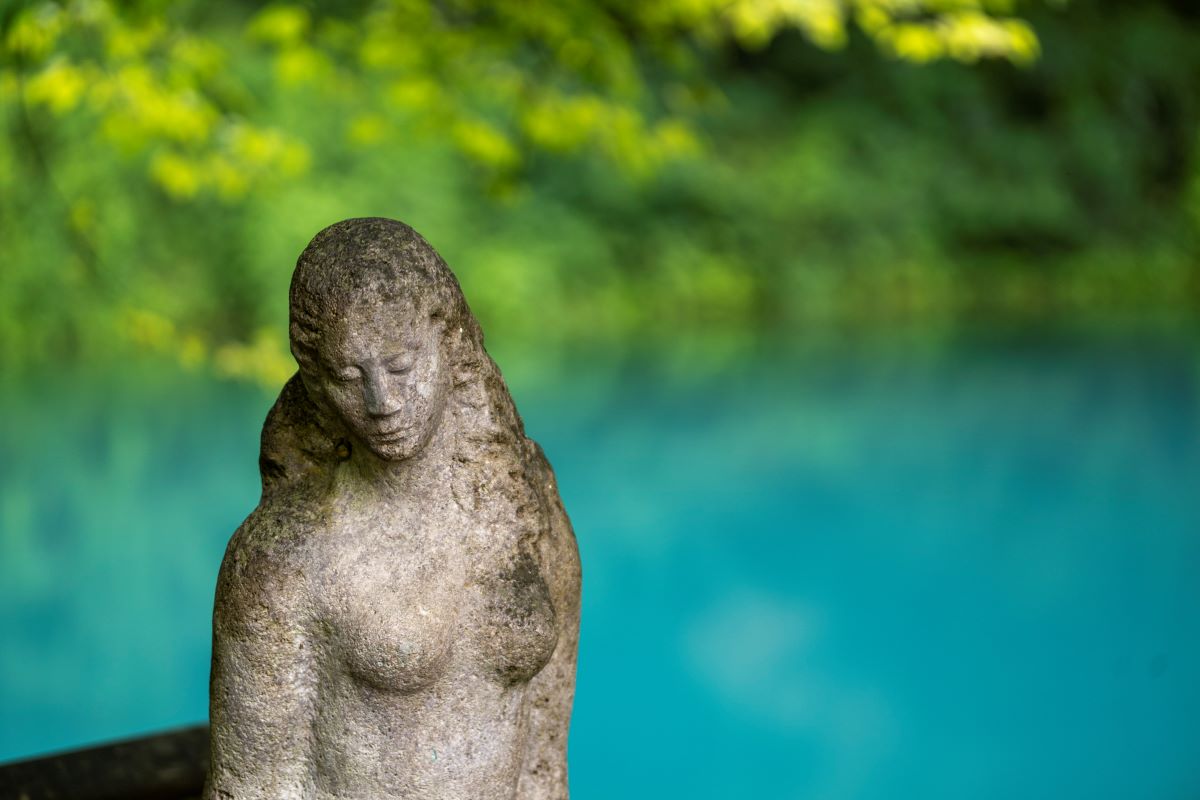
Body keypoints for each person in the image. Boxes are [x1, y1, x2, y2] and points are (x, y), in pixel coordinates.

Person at [203, 218, 581, 800]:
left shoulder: (527, 500)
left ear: (450, 343)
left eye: (402, 365)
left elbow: (546, 754)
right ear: (316, 379)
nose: (383, 402)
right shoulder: (285, 555)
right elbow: (252, 784)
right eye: (350, 375)